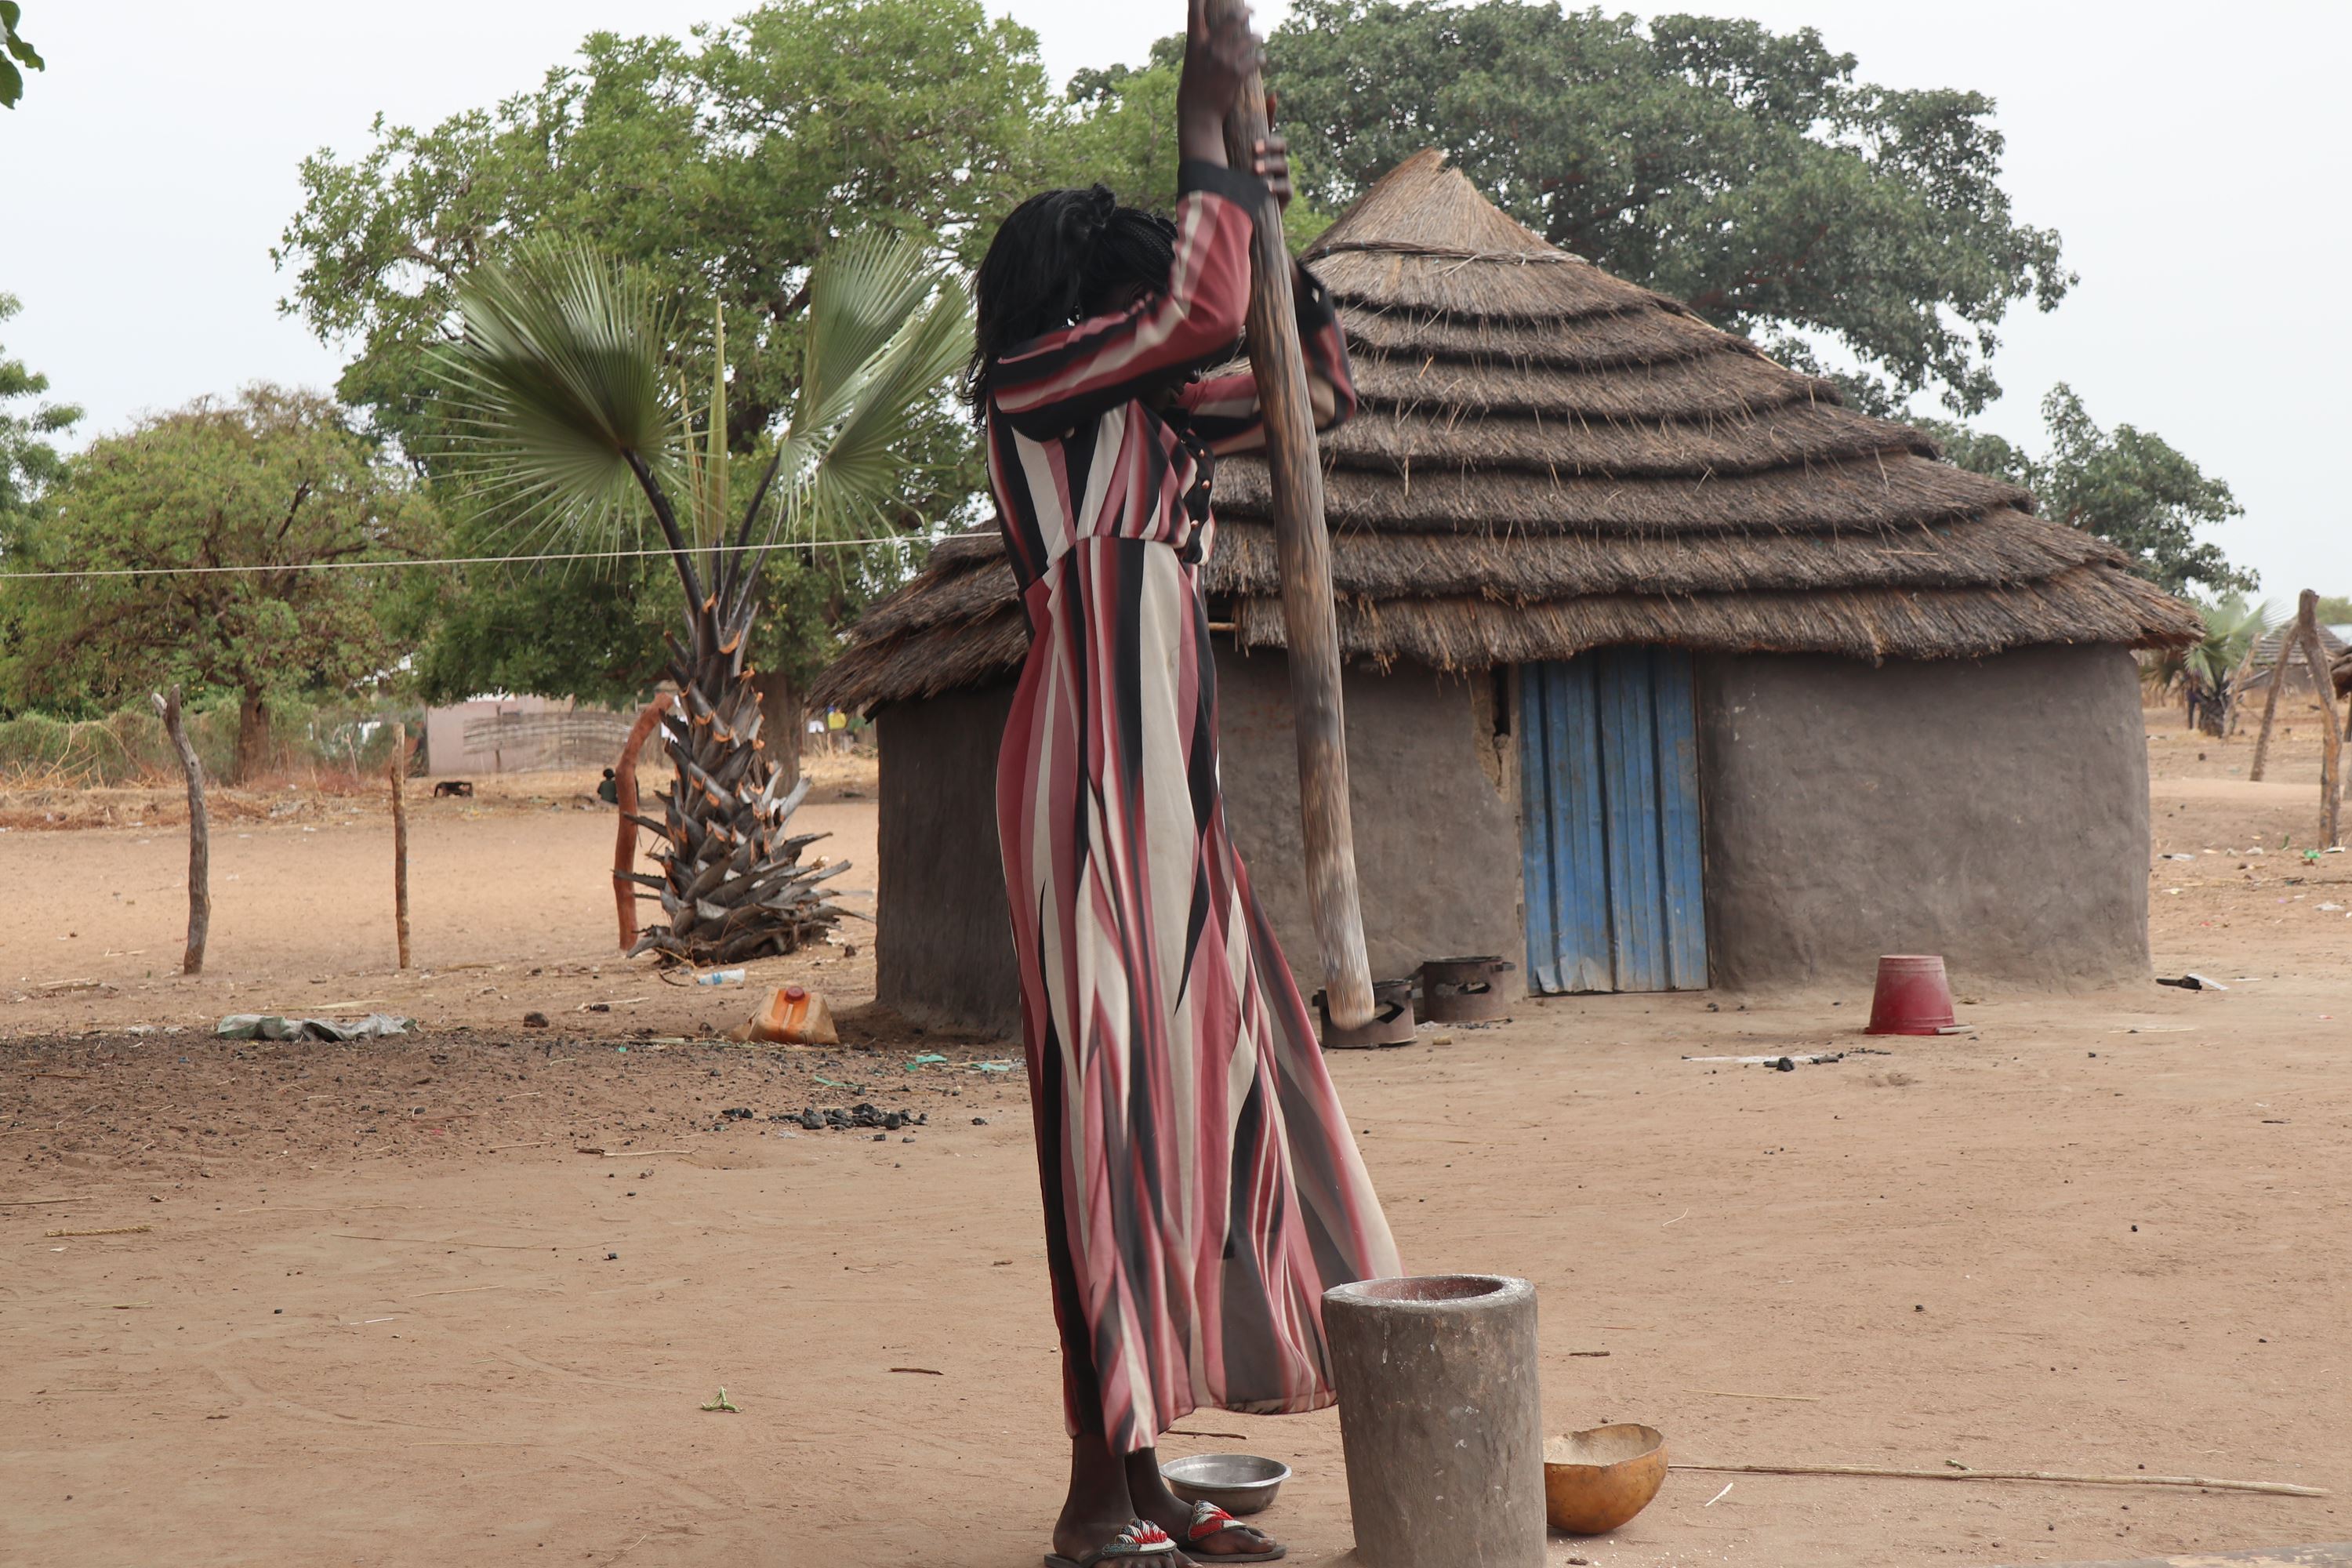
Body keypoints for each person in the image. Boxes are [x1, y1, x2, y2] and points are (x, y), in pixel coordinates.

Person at [967, 5, 1400, 1563]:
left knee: (1189, 1111)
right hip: (1091, 766)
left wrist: (1272, 215)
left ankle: (1144, 1478)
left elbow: (1311, 383)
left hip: (1170, 784)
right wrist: (1200, 129)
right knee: (1112, 1122)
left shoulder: (1145, 409)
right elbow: (1206, 300)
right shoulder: (1041, 383)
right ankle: (1097, 1502)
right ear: (1080, 295)